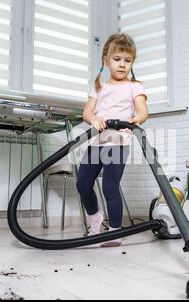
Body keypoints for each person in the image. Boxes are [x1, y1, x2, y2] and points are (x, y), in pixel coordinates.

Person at [76, 33, 148, 247]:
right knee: (82, 184)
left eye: (128, 60)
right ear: (105, 60)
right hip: (97, 142)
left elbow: (143, 110)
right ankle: (95, 219)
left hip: (117, 143)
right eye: (117, 59)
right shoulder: (99, 86)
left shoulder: (135, 86)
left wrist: (136, 119)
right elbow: (87, 112)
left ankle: (115, 231)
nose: (122, 65)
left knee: (110, 186)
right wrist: (95, 118)